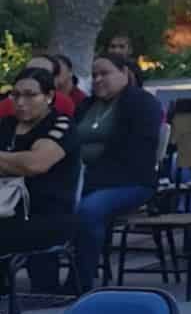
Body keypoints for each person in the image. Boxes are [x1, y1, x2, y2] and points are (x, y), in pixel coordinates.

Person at [71, 55, 163, 290]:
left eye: (105, 73)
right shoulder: (86, 106)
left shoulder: (142, 104)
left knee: (89, 209)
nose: (98, 79)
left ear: (124, 73)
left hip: (129, 181)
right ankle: (45, 281)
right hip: (81, 179)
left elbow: (137, 150)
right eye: (94, 75)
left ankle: (81, 281)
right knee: (42, 202)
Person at [0, 65, 82, 291]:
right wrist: (16, 163)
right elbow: (25, 163)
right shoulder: (5, 126)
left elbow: (36, 164)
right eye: (15, 95)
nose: (20, 102)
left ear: (48, 96)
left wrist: (16, 164)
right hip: (6, 211)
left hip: (47, 216)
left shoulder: (60, 124)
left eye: (30, 95)